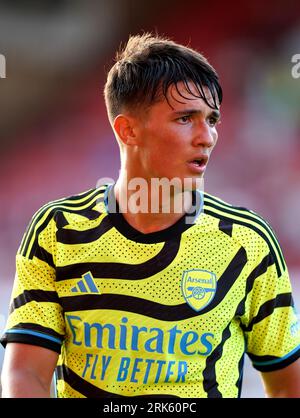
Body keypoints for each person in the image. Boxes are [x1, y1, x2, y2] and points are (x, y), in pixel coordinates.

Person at [1, 33, 300, 399]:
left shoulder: (247, 241)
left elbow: (289, 386)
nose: (207, 136)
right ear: (128, 130)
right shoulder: (59, 232)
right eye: (186, 118)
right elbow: (25, 374)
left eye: (213, 119)